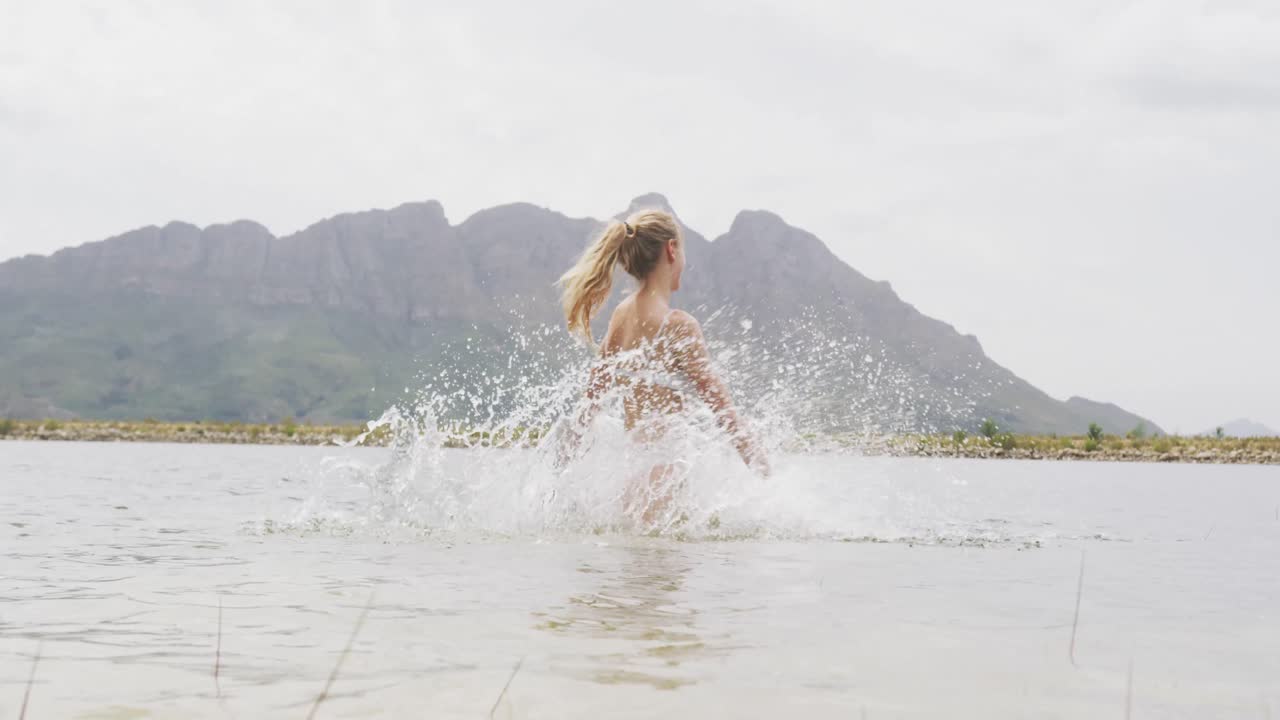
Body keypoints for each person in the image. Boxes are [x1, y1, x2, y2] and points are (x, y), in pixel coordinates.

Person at [555, 209, 768, 521]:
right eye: (682, 251)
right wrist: (766, 476)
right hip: (665, 481)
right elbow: (724, 410)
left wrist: (559, 469)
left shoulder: (620, 317)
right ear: (671, 250)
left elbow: (590, 404)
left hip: (628, 483)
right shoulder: (679, 325)